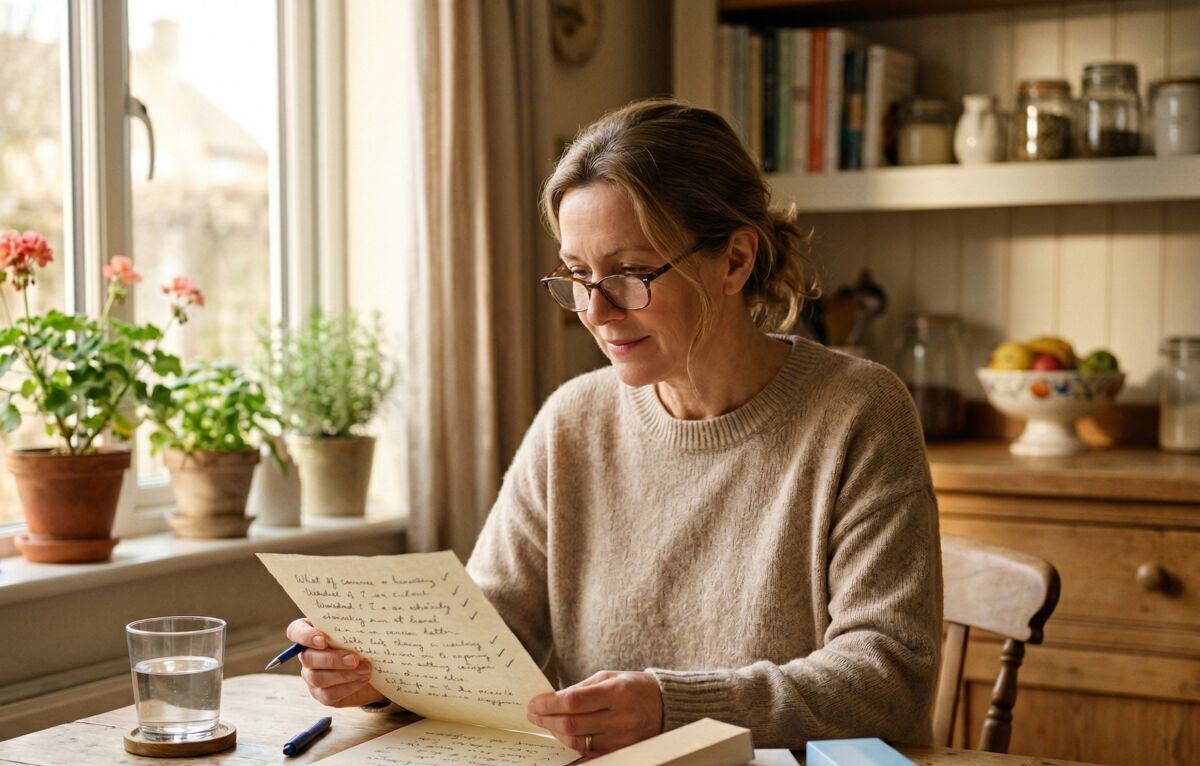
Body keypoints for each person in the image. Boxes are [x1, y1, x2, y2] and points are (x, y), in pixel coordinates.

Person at [286, 98, 942, 755]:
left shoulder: (858, 411)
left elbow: (888, 677)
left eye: (629, 274)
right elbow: (487, 637)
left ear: (736, 261)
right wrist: (379, 674)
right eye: (577, 275)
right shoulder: (573, 420)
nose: (595, 311)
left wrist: (672, 708)